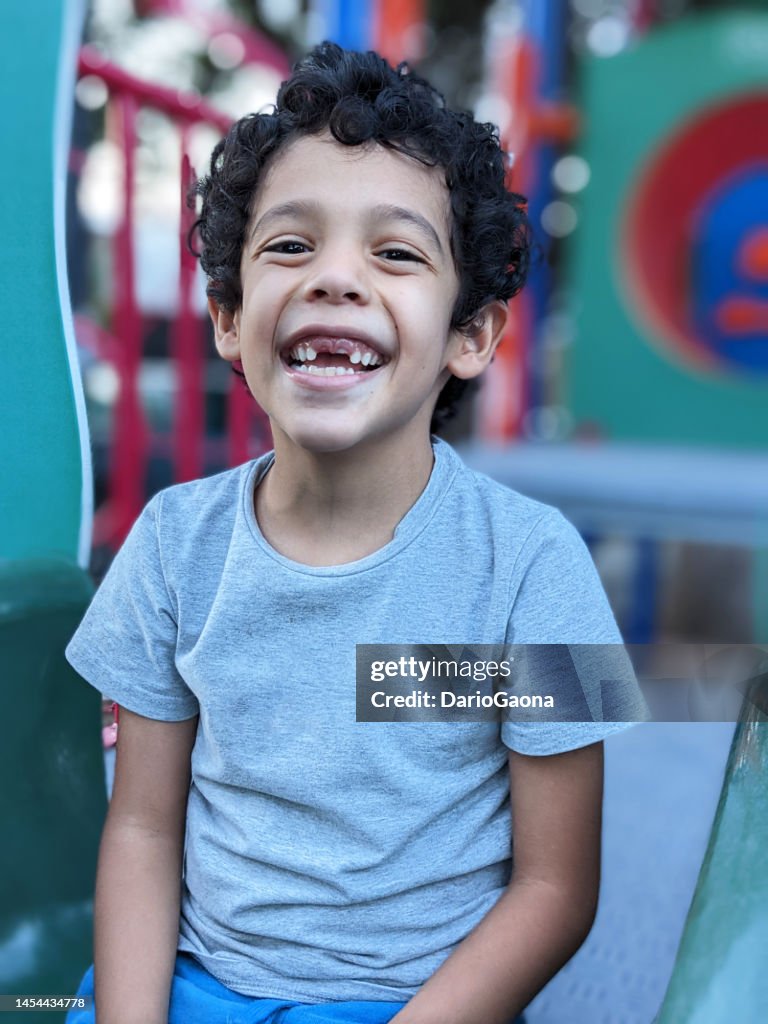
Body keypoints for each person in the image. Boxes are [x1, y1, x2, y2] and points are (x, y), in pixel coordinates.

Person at [65, 42, 640, 1024]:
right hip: (196, 990)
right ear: (229, 317)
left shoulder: (541, 564)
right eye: (290, 245)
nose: (335, 277)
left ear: (473, 336)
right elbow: (144, 829)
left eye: (396, 251)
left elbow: (557, 889)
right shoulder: (168, 547)